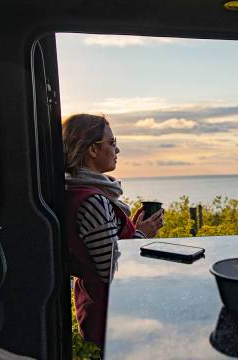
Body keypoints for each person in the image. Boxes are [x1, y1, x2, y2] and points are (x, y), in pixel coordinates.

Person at [63, 113, 164, 348]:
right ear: (92, 150)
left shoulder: (78, 190)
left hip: (105, 309)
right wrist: (142, 235)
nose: (117, 150)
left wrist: (133, 230)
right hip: (114, 313)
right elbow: (113, 271)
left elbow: (106, 247)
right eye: (112, 143)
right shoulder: (93, 201)